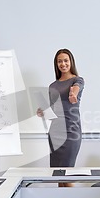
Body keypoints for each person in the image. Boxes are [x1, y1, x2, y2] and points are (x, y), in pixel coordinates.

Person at [37, 49, 84, 186]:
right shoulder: (53, 85)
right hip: (55, 132)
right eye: (59, 61)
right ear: (56, 64)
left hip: (71, 131)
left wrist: (73, 94)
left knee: (67, 175)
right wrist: (43, 112)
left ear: (71, 62)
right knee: (58, 176)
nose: (63, 64)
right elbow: (53, 110)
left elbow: (76, 88)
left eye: (65, 60)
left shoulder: (77, 80)